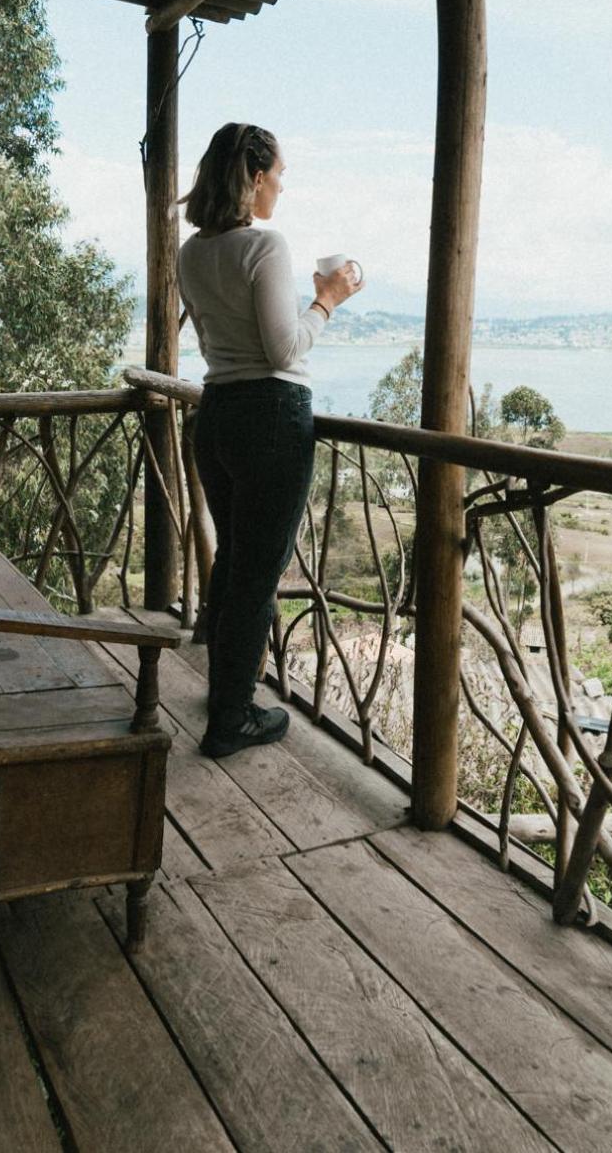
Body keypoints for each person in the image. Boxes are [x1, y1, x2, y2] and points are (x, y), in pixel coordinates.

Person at [177, 122, 362, 757]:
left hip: (217, 412)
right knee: (257, 576)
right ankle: (230, 720)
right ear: (255, 178)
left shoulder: (192, 252)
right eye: (278, 174)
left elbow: (214, 340)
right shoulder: (266, 245)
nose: (281, 187)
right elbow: (283, 348)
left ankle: (223, 691)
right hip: (272, 417)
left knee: (234, 561)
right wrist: (328, 301)